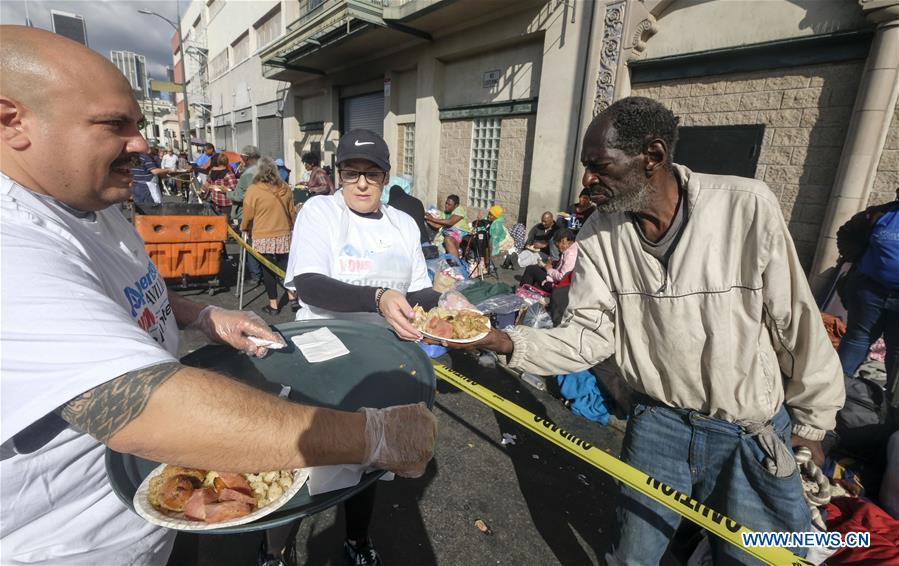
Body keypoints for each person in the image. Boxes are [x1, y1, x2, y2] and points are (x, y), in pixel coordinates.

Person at [0, 26, 437, 566]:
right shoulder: (12, 244)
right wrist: (372, 437)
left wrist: (200, 313)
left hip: (152, 515)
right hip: (70, 548)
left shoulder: (96, 207)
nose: (140, 143)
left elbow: (131, 295)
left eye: (137, 124)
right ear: (12, 121)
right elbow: (141, 406)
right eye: (115, 125)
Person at [460, 97, 845, 563]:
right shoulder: (599, 234)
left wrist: (813, 423)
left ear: (653, 156)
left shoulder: (746, 208)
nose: (587, 180)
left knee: (753, 557)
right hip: (659, 425)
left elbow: (795, 321)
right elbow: (588, 334)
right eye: (586, 167)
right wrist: (501, 340)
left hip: (747, 430)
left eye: (599, 165)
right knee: (632, 555)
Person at [285, 129, 442, 566]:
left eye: (371, 175)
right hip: (324, 354)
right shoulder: (320, 212)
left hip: (384, 359)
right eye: (352, 173)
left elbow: (419, 292)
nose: (361, 183)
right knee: (308, 455)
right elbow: (310, 285)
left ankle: (357, 539)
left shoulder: (403, 224)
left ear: (386, 179)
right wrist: (377, 296)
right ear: (338, 175)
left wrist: (448, 302)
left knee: (370, 456)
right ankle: (277, 545)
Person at [835, 186, 899, 403]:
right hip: (869, 291)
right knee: (856, 339)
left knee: (897, 351)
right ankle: (829, 395)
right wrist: (856, 257)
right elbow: (846, 233)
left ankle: (892, 409)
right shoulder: (880, 214)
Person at [241, 157, 299, 315]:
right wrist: (293, 226)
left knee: (268, 269)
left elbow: (247, 214)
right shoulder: (285, 187)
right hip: (283, 231)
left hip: (262, 234)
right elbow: (292, 211)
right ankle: (293, 298)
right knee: (286, 265)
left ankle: (273, 306)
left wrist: (244, 228)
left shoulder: (254, 190)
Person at [518, 228, 577, 325]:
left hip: (559, 288)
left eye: (561, 244)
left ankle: (521, 297)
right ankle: (525, 294)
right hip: (560, 282)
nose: (560, 247)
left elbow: (562, 277)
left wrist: (549, 269)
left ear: (565, 241)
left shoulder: (570, 254)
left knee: (531, 269)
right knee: (535, 268)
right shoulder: (573, 248)